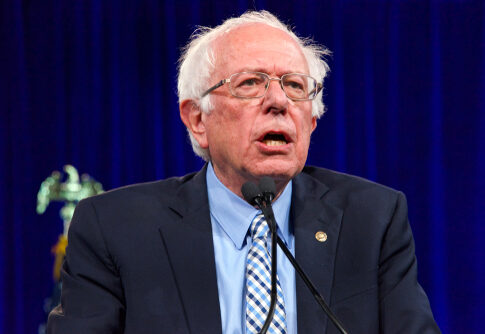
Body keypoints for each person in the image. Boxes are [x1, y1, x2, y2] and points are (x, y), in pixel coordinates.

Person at [47, 10, 440, 334]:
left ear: (311, 123)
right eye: (251, 83)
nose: (278, 101)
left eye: (294, 85)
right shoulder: (114, 228)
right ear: (197, 118)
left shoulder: (372, 220)